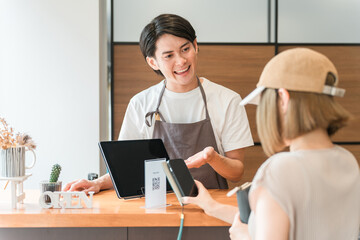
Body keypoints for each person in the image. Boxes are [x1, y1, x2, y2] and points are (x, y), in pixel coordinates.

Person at [64, 14, 253, 193]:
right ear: (153, 62)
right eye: (169, 56)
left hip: (211, 207)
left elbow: (236, 173)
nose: (181, 61)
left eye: (185, 49)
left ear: (195, 46)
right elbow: (127, 166)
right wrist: (96, 183)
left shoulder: (228, 100)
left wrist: (212, 158)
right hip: (157, 207)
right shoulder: (140, 103)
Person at [183, 48, 360, 239]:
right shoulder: (347, 161)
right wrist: (211, 206)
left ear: (283, 99)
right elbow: (276, 222)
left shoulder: (280, 170)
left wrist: (245, 237)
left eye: (266, 105)